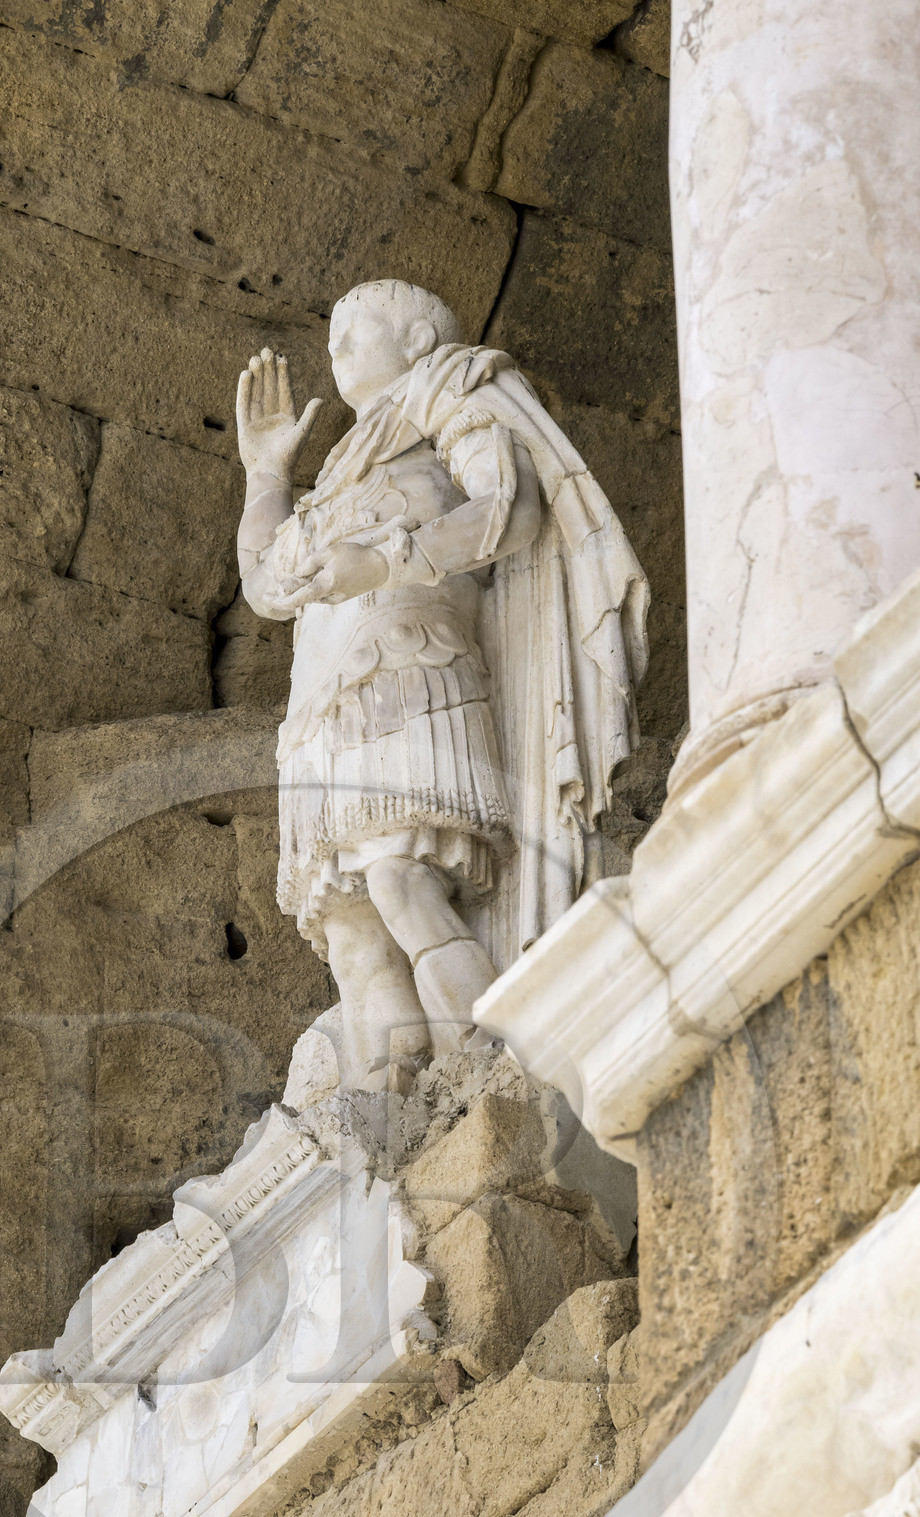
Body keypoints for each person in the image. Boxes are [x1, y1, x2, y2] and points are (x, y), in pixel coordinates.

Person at [236, 279, 650, 1093]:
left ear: (420, 339)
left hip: (414, 676)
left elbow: (512, 508)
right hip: (328, 715)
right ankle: (395, 1117)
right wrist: (264, 475)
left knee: (403, 880)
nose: (336, 347)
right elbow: (264, 584)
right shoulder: (335, 477)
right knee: (354, 930)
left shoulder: (451, 395)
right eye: (334, 335)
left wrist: (389, 560)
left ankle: (494, 1072)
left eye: (356, 327)